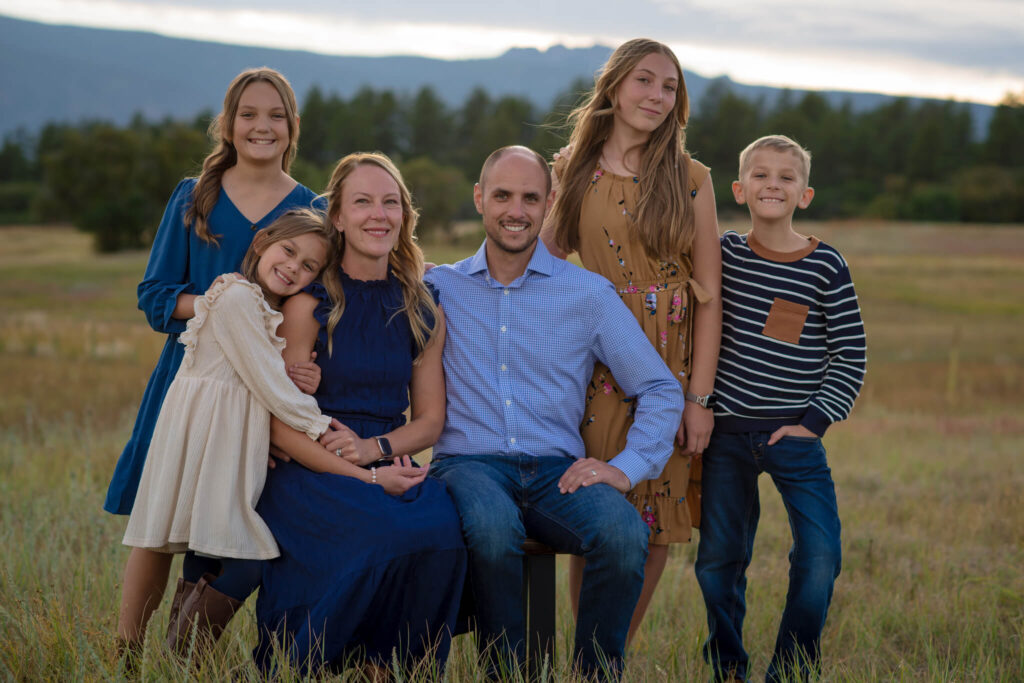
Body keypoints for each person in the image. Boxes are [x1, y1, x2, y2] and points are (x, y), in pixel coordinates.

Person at [425, 145, 684, 680]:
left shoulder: (586, 293)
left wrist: (626, 467)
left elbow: (659, 386)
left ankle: (596, 673)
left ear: (547, 206)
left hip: (554, 471)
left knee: (623, 533)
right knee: (493, 531)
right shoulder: (437, 288)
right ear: (479, 198)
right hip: (468, 466)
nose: (515, 210)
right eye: (502, 195)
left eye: (529, 197)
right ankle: (510, 675)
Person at [108, 67, 324, 660]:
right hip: (189, 382)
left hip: (260, 390)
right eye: (248, 114)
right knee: (158, 526)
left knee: (220, 523)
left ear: (292, 126)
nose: (262, 126)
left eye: (275, 115)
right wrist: (228, 308)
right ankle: (124, 656)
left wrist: (304, 363)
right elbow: (155, 296)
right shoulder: (194, 195)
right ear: (228, 124)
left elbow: (319, 301)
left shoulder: (312, 209)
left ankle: (185, 656)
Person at [252, 152, 466, 675]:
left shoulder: (422, 306)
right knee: (380, 534)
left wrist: (377, 453)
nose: (379, 214)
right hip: (312, 464)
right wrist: (365, 478)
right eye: (363, 202)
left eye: (390, 202)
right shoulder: (308, 305)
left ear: (404, 217)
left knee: (442, 529)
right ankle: (320, 661)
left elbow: (430, 421)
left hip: (385, 455)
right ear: (339, 218)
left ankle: (394, 667)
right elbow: (281, 424)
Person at [541, 37, 722, 642]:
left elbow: (709, 295)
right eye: (645, 81)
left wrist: (697, 400)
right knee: (592, 504)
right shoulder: (571, 169)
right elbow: (541, 259)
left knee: (653, 517)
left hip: (668, 369)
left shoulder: (691, 178)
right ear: (614, 88)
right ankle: (581, 649)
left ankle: (607, 654)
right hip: (593, 362)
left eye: (670, 87)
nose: (657, 96)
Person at [694, 135, 866, 682]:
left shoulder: (825, 266)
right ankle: (727, 667)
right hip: (725, 436)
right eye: (761, 176)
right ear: (740, 190)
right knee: (719, 561)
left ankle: (791, 668)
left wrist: (813, 422)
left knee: (820, 556)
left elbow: (850, 352)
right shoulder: (723, 253)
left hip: (793, 437)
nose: (773, 184)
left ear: (805, 194)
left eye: (786, 177)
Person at [122, 209, 333, 652]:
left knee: (210, 549)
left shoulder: (263, 311)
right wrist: (324, 428)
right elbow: (270, 386)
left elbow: (270, 378)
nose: (294, 266)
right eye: (288, 251)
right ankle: (173, 654)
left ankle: (180, 662)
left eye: (309, 266)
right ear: (261, 244)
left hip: (228, 446)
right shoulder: (236, 297)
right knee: (245, 553)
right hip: (207, 443)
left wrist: (302, 379)